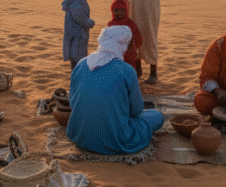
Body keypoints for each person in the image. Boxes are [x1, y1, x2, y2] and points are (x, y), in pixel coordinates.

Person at [66, 26, 164, 155]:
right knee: (156, 116)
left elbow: (73, 103)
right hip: (117, 140)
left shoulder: (81, 64)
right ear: (123, 45)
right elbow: (137, 110)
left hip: (80, 136)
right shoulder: (127, 70)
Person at [62, 0, 94, 71]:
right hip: (77, 37)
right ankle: (76, 84)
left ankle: (76, 83)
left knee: (77, 62)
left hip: (76, 36)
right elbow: (79, 16)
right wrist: (90, 22)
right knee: (78, 63)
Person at [107, 0, 142, 73]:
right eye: (116, 10)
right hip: (115, 55)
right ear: (112, 11)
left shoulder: (130, 24)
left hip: (129, 56)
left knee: (129, 72)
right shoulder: (111, 24)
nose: (119, 13)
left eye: (122, 10)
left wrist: (133, 47)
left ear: (127, 10)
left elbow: (138, 38)